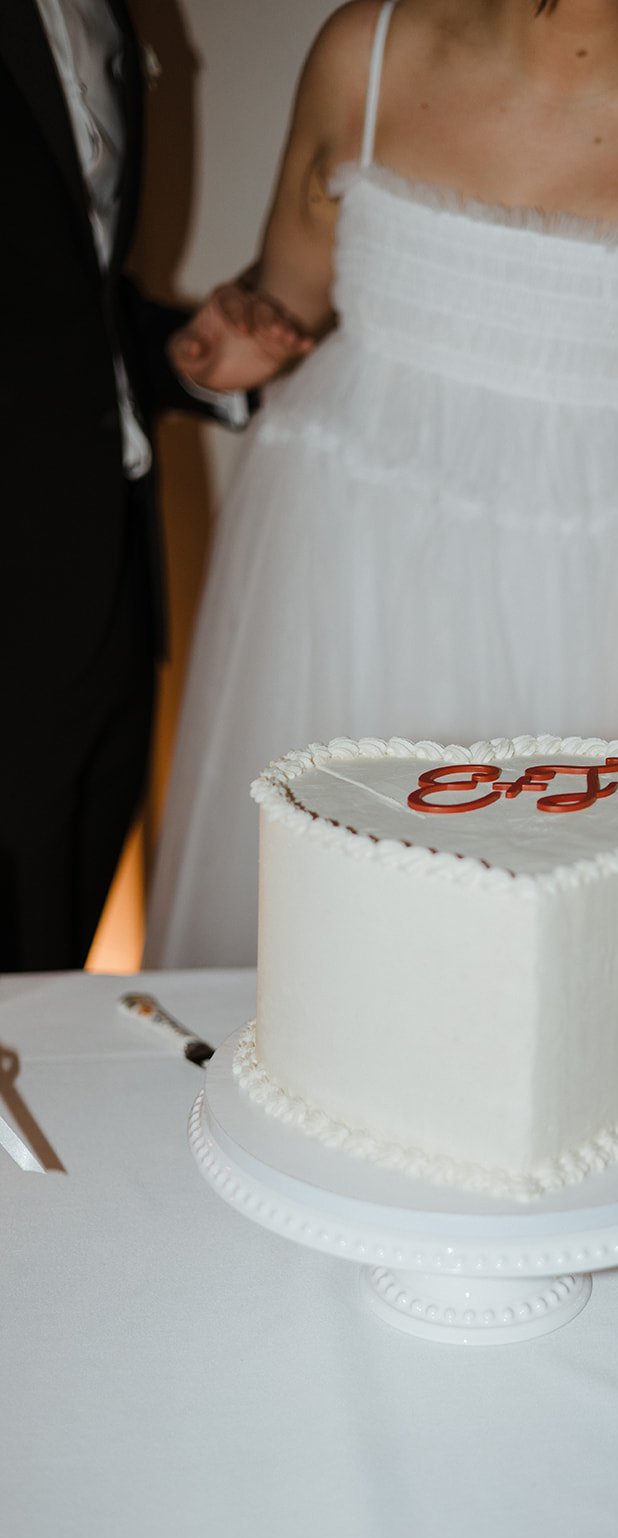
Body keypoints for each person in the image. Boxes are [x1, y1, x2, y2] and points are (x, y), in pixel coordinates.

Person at [145, 0, 618, 968]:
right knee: (334, 979)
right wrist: (242, 329)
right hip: (352, 614)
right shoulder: (367, 52)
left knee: (588, 1010)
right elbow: (292, 294)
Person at [0, 0, 306, 972]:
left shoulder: (111, 20)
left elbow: (61, 295)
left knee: (49, 994)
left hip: (105, 591)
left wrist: (176, 356)